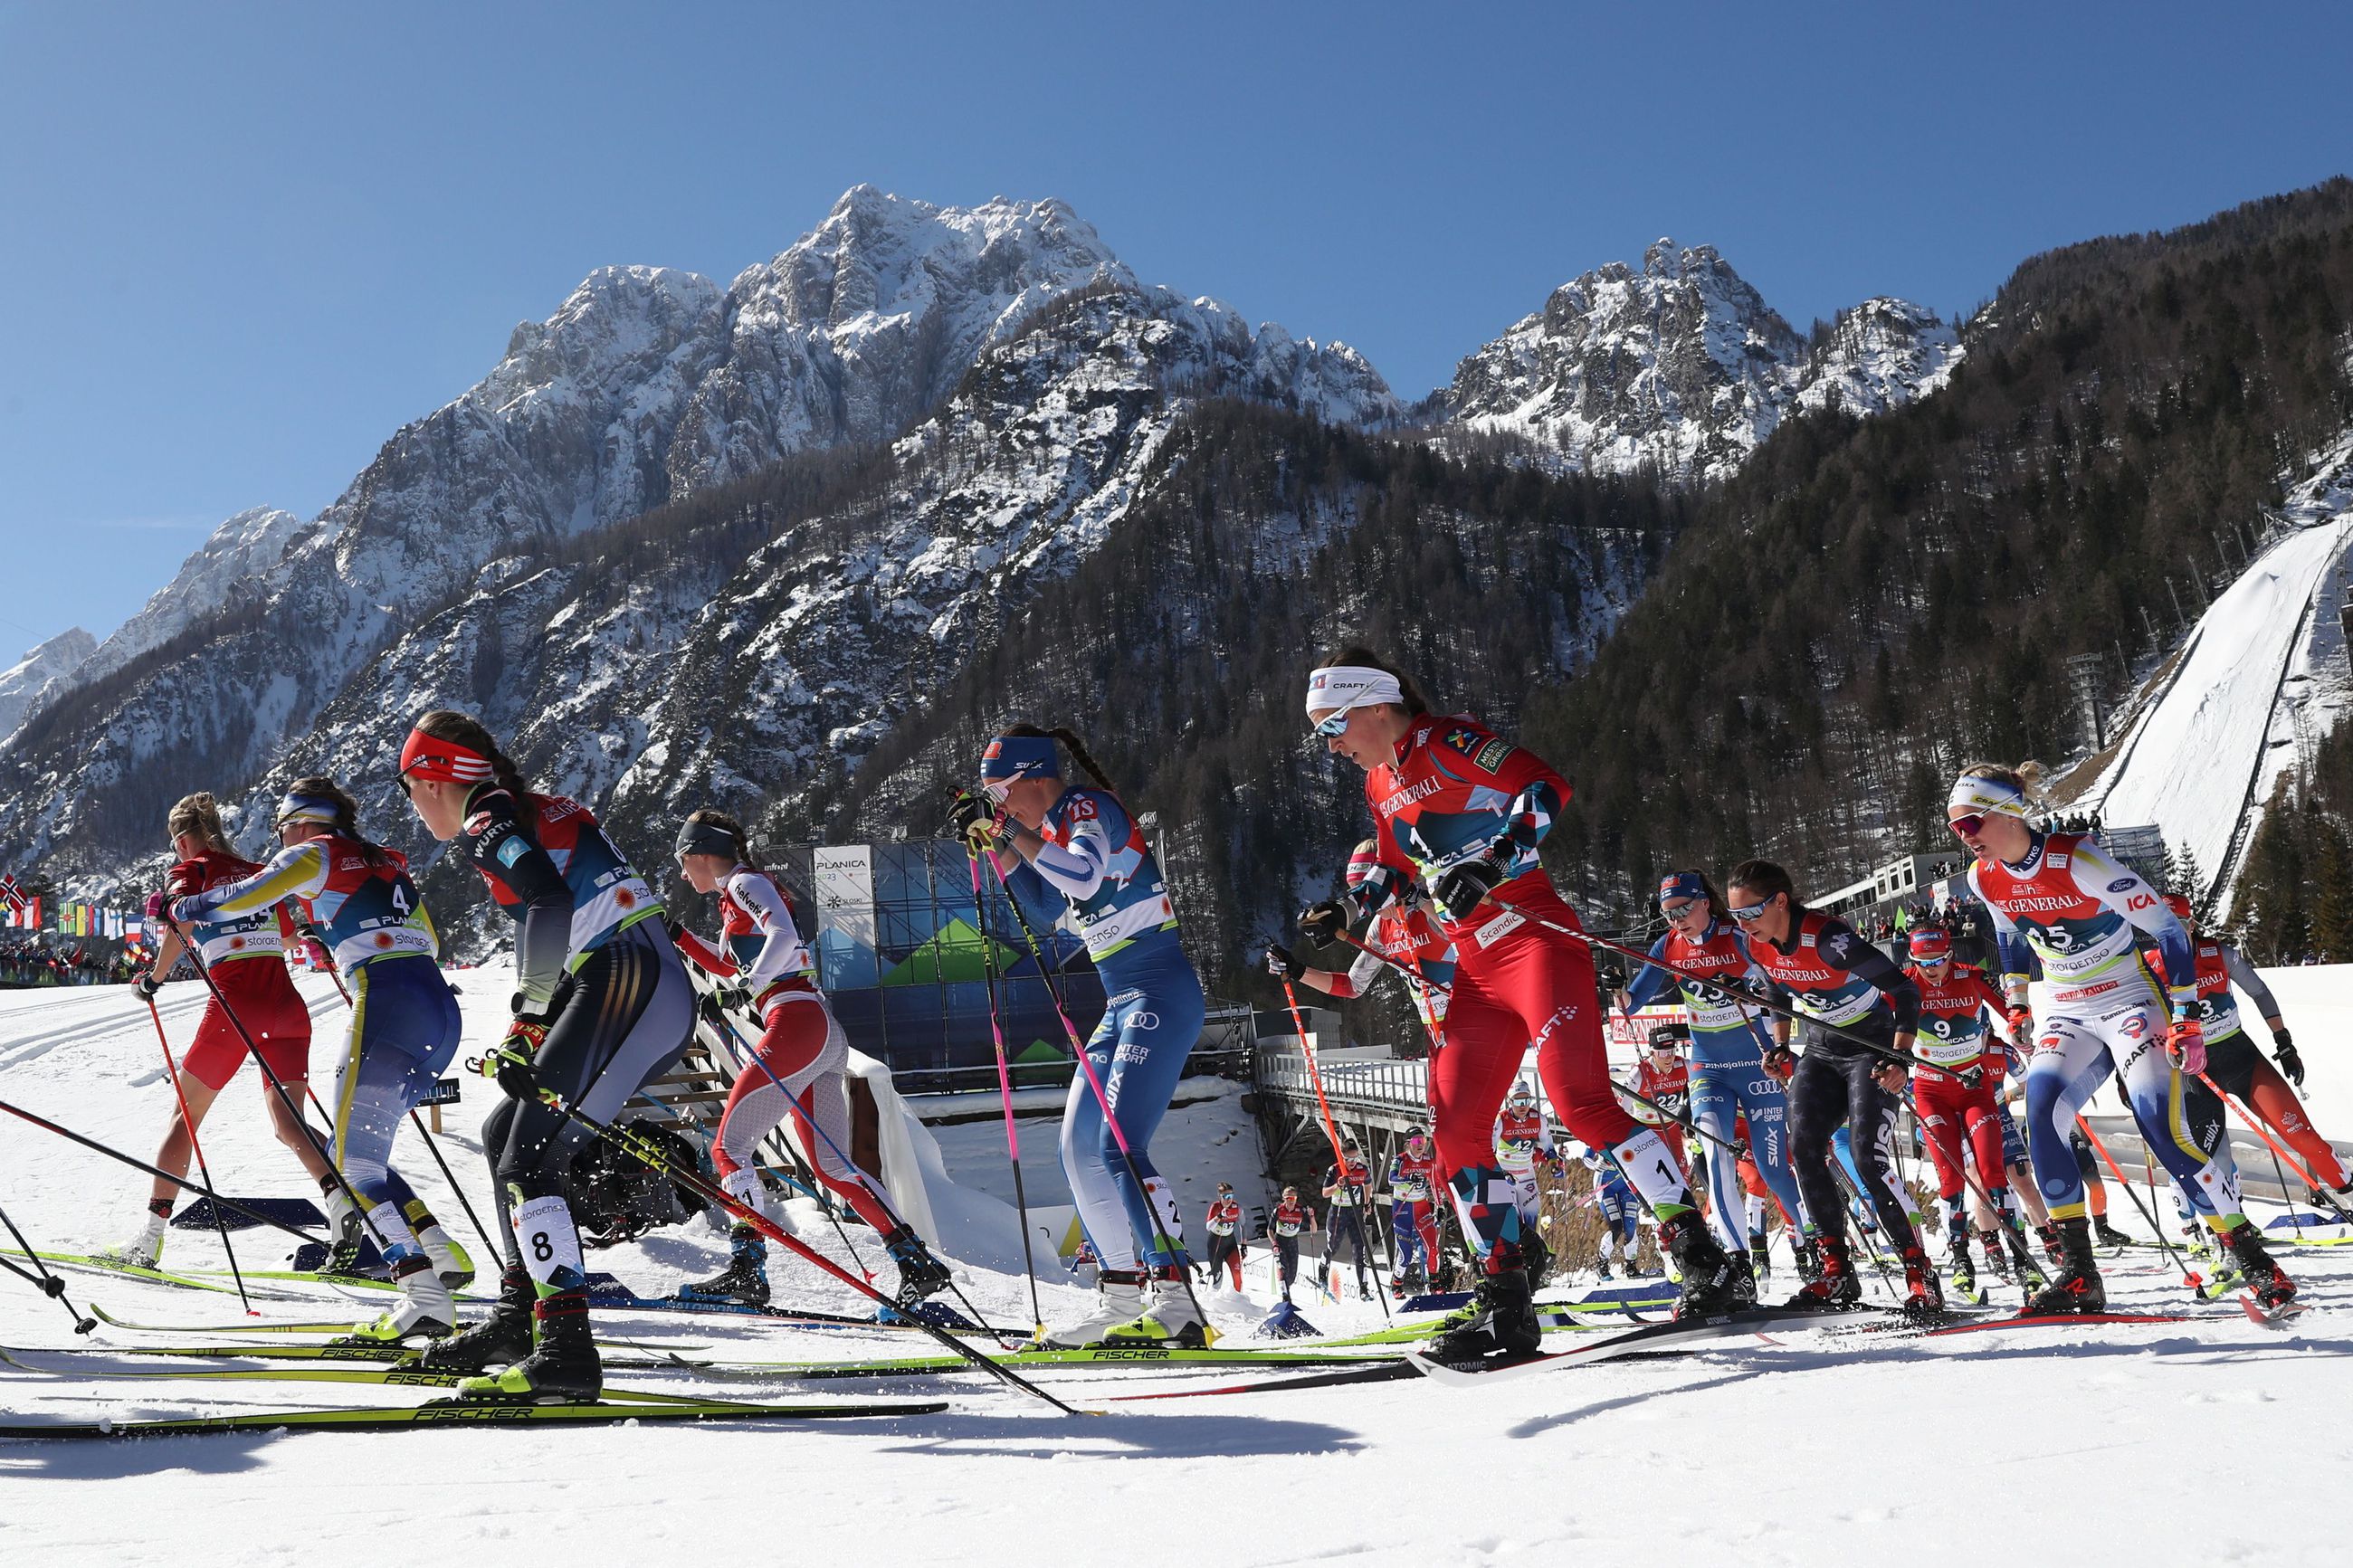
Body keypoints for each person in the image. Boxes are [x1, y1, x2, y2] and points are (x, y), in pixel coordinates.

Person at [1300, 649, 1734, 1363]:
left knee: (1581, 1103)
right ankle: (1506, 1294)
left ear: (1378, 704)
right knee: (1456, 1130)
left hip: (1536, 942)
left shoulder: (1445, 741)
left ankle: (1702, 1257)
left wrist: (1493, 862)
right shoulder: (1380, 780)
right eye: (1321, 734)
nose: (1331, 745)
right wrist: (1345, 908)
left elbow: (1546, 786)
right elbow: (1394, 863)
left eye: (1335, 725)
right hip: (1477, 967)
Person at [397, 711, 694, 1397]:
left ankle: (564, 1348)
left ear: (435, 779)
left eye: (409, 787)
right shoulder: (511, 807)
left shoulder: (485, 820)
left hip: (627, 973)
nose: (412, 807)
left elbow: (550, 900)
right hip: (632, 972)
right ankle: (519, 1315)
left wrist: (531, 1016)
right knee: (508, 1130)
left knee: (531, 1149)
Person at [1948, 764, 2292, 1311]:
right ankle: (2080, 1273)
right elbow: (2009, 937)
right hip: (2065, 1005)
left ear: (2010, 812)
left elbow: (2168, 928)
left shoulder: (2078, 859)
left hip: (2129, 997)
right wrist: (2016, 1004)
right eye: (1955, 826)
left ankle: (2256, 1263)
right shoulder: (1982, 877)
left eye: (1972, 822)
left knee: (2161, 1126)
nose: (1963, 835)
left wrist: (2186, 1017)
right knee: (2041, 1114)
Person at [158, 779, 465, 1342]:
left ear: (301, 822)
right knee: (357, 1152)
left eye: (281, 828)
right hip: (438, 1009)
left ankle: (423, 1295)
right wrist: (341, 930)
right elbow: (432, 939)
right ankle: (441, 1255)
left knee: (350, 1162)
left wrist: (182, 905)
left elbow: (247, 896)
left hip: (386, 1003)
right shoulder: (384, 859)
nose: (280, 839)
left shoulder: (311, 852)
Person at [953, 724, 1208, 1345]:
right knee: (1077, 1146)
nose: (1001, 804)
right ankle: (1123, 1296)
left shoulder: (1084, 807)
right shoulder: (1051, 825)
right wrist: (996, 845)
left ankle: (1177, 1302)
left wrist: (1011, 831)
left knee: (1121, 1144)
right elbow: (1046, 905)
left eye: (1002, 792)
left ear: (1036, 776)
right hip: (1121, 998)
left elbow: (1087, 876)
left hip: (1159, 990)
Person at [668, 809, 949, 1308]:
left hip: (795, 1023)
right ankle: (914, 1261)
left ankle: (746, 1268)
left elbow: (781, 938)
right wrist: (683, 939)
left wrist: (744, 990)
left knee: (728, 1150)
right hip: (815, 1028)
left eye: (682, 860)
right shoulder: (737, 897)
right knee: (834, 1169)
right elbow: (735, 962)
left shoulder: (744, 882)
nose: (682, 873)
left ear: (703, 854)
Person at [107, 792, 337, 1271]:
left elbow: (178, 924)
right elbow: (288, 935)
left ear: (186, 838)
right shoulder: (260, 869)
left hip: (237, 1004)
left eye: (175, 842)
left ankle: (148, 1244)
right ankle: (347, 1216)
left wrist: (152, 979)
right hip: (288, 1007)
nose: (175, 852)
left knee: (184, 1118)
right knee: (290, 1124)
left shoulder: (192, 871)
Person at [1729, 860, 1941, 1319]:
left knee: (1867, 1158)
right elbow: (1778, 992)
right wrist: (1781, 1047)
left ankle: (1919, 1271)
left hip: (1872, 1044)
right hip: (1823, 1048)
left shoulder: (1829, 939)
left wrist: (1900, 1057)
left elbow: (1905, 991)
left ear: (1780, 902)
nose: (1744, 924)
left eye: (1750, 913)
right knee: (1802, 1148)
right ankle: (1837, 1270)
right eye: (1736, 917)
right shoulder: (1758, 943)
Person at [1619, 871, 1814, 1293]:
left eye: (1684, 909)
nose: (1677, 920)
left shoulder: (1740, 936)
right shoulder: (1668, 945)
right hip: (1708, 1067)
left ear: (1705, 901)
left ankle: (1818, 1243)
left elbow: (1780, 985)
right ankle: (1738, 1260)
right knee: (1716, 1154)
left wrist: (1744, 986)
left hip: (1757, 1063)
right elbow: (1634, 1001)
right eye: (1667, 914)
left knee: (1772, 1169)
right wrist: (1619, 993)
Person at [2166, 895, 2353, 1214]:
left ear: (2192, 924)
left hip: (2240, 1059)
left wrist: (2284, 1042)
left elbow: (2260, 992)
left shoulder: (2219, 954)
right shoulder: (2152, 965)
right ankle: (2227, 1233)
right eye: (2164, 928)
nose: (2172, 935)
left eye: (2179, 925)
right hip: (2195, 1074)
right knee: (2212, 1157)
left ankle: (2348, 1192)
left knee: (2301, 1135)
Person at [1902, 924, 2043, 1300]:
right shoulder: (1904, 983)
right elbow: (1874, 1020)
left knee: (1994, 1172)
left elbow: (2010, 1010)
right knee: (1951, 1182)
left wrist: (2019, 1025)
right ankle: (1963, 1261)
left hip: (1975, 1090)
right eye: (1922, 962)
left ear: (1950, 955)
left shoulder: (1972, 977)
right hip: (1931, 1092)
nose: (1930, 969)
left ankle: (2022, 1259)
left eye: (1937, 961)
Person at [1268, 839, 1456, 1050]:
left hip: (1478, 1020)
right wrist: (1297, 970)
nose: (1370, 904)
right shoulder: (1381, 928)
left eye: (1369, 892)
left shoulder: (1432, 900)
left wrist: (1420, 901)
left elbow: (1461, 934)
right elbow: (1352, 985)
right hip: (1440, 1037)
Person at [1494, 1083, 1556, 1247]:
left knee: (1532, 1220)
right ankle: (1513, 1256)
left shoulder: (1538, 1119)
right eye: (1518, 1102)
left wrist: (1553, 1163)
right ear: (1510, 1102)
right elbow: (1489, 1149)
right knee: (1512, 1221)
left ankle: (1533, 1256)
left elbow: (1548, 1145)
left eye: (1526, 1101)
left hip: (1527, 1175)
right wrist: (1499, 1172)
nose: (1523, 1106)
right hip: (1505, 1176)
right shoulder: (1502, 1119)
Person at [1386, 1127, 1443, 1295]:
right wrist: (1408, 1178)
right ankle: (1397, 1284)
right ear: (1408, 1144)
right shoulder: (1400, 1160)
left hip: (1422, 1208)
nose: (1420, 1145)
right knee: (1406, 1254)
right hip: (1403, 1209)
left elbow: (1435, 1184)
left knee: (1433, 1248)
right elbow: (1391, 1179)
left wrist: (1440, 1207)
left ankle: (1435, 1285)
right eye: (1416, 1141)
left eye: (1423, 1141)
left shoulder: (1428, 1162)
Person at [1321, 1138, 1377, 1299]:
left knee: (1360, 1251)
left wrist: (1367, 1203)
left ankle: (1364, 1289)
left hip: (1355, 1212)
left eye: (1355, 1158)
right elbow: (1324, 1193)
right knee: (1333, 1248)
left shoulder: (1362, 1169)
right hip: (1337, 1212)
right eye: (1348, 1159)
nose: (1352, 1162)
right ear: (1342, 1157)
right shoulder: (1335, 1169)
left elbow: (1368, 1185)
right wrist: (1337, 1185)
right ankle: (1323, 1269)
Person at [1271, 1187, 1311, 1302]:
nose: (1291, 1200)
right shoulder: (1278, 1210)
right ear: (1284, 1198)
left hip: (1293, 1242)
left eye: (1293, 1198)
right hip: (1280, 1242)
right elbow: (1269, 1229)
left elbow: (1314, 1230)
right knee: (1283, 1270)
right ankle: (1286, 1297)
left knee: (1292, 1277)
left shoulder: (1300, 1210)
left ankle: (1286, 1290)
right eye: (1288, 1198)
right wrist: (1274, 1243)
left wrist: (1312, 1216)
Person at [1204, 1184, 1245, 1291]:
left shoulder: (1237, 1208)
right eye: (1225, 1197)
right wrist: (1219, 1216)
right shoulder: (1215, 1207)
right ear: (1220, 1196)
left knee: (1237, 1274)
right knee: (1218, 1277)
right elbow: (1208, 1227)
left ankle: (1239, 1302)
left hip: (1230, 1244)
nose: (1229, 1200)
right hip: (1215, 1244)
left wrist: (1244, 1245)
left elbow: (1243, 1225)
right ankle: (1214, 1301)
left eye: (1231, 1196)